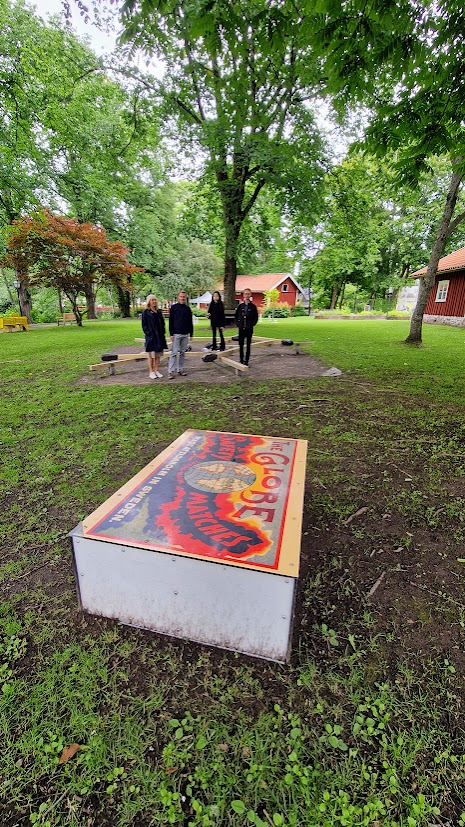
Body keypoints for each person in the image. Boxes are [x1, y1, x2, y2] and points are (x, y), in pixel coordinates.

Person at [168, 290, 193, 379]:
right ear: (178, 297)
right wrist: (171, 333)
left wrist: (191, 334)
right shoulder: (174, 308)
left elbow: (190, 321)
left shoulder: (187, 309)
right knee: (174, 353)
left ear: (185, 298)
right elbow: (171, 321)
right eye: (181, 296)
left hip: (185, 334)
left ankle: (180, 369)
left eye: (184, 297)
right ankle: (170, 371)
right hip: (176, 334)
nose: (182, 298)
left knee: (182, 352)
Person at [141, 295, 167, 380]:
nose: (154, 302)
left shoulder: (159, 312)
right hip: (151, 337)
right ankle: (151, 371)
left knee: (157, 355)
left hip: (159, 336)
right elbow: (144, 325)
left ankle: (156, 370)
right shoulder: (146, 312)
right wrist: (148, 333)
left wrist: (163, 332)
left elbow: (162, 323)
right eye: (152, 300)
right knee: (151, 355)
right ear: (149, 301)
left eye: (155, 300)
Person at [235, 287, 258, 366]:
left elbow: (255, 317)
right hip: (241, 329)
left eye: (248, 294)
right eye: (245, 294)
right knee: (241, 345)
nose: (247, 295)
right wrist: (238, 324)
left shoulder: (253, 307)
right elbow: (236, 316)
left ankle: (247, 360)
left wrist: (251, 324)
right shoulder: (240, 306)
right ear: (243, 295)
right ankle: (241, 359)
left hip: (249, 329)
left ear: (250, 295)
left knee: (248, 345)